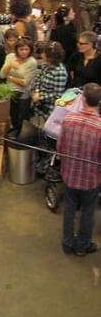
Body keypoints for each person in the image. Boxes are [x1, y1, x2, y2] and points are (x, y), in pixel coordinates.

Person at [57, 83, 101, 256]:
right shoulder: (99, 126)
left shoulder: (68, 119)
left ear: (82, 98)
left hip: (69, 175)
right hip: (91, 179)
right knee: (87, 213)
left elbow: (60, 147)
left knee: (69, 210)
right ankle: (83, 246)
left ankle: (67, 243)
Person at [0, 37, 39, 137]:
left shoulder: (32, 62)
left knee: (22, 117)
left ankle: (22, 137)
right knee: (12, 115)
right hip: (10, 92)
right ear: (17, 49)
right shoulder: (10, 57)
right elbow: (2, 75)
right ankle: (15, 133)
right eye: (21, 49)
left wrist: (10, 76)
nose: (24, 52)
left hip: (23, 94)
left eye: (27, 49)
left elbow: (25, 82)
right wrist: (9, 65)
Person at [32, 42, 68, 123]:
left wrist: (40, 97)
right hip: (39, 105)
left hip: (49, 109)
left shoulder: (60, 72)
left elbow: (57, 95)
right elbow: (38, 77)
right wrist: (37, 91)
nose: (42, 54)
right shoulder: (46, 65)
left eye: (44, 52)